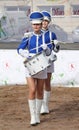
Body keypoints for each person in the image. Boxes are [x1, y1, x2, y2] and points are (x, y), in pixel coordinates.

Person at [17, 11, 51, 126]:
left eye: (38, 24)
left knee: (40, 91)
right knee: (32, 90)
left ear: (42, 24)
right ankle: (33, 116)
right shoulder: (28, 36)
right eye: (34, 24)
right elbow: (19, 49)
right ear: (31, 25)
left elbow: (49, 52)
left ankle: (37, 114)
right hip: (30, 66)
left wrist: (46, 48)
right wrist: (24, 53)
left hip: (42, 66)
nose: (36, 26)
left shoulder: (46, 37)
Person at [40, 11, 60, 114]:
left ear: (49, 22)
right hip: (39, 61)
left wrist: (56, 45)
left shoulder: (52, 35)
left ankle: (45, 106)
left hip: (49, 61)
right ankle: (39, 105)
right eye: (43, 21)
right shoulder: (35, 33)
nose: (44, 23)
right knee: (39, 83)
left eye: (46, 21)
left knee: (47, 83)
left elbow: (56, 50)